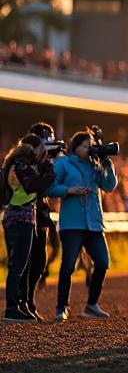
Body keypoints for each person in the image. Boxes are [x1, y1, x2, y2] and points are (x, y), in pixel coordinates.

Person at [46, 129, 118, 322]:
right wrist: (69, 190)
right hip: (72, 224)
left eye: (91, 145)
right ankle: (61, 308)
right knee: (68, 266)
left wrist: (107, 162)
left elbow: (110, 186)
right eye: (85, 146)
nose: (89, 149)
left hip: (94, 224)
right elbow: (50, 188)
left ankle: (92, 305)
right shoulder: (64, 163)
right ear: (75, 147)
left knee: (102, 262)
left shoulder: (96, 165)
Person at [3, 135, 56, 322]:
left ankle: (19, 306)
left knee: (22, 265)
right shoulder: (22, 164)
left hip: (19, 217)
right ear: (33, 148)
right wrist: (50, 169)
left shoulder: (16, 162)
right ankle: (11, 308)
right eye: (42, 147)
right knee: (18, 265)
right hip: (20, 218)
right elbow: (33, 185)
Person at [24, 123, 61, 317]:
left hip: (42, 212)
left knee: (40, 260)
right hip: (27, 212)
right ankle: (23, 302)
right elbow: (37, 184)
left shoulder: (47, 159)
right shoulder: (24, 160)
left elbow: (53, 184)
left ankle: (30, 299)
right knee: (27, 260)